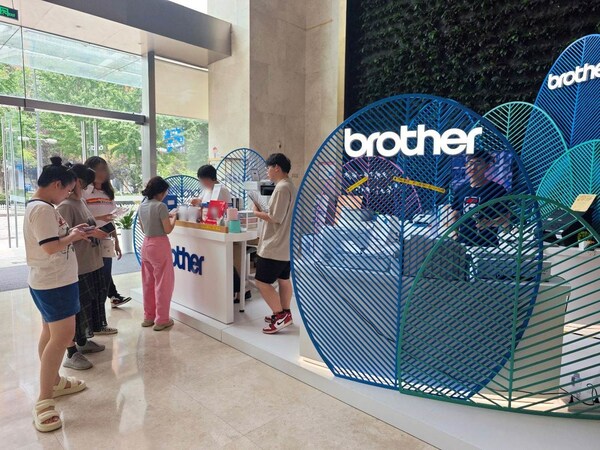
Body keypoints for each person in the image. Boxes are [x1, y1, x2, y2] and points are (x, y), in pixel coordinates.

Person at [24, 157, 90, 432]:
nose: (67, 195)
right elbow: (50, 247)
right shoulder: (42, 209)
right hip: (54, 283)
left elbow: (52, 240)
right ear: (56, 184)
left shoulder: (41, 207)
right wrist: (72, 237)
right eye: (68, 190)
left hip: (50, 280)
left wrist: (71, 232)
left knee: (50, 334)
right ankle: (44, 400)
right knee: (62, 338)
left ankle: (53, 382)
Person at [58, 164, 114, 370]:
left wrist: (96, 231)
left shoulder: (79, 202)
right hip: (79, 265)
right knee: (77, 309)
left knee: (88, 305)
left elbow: (84, 228)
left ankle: (82, 341)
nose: (88, 188)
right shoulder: (65, 206)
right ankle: (71, 352)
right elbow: (63, 238)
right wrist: (88, 233)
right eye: (86, 184)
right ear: (78, 182)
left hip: (92, 261)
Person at [191, 164, 249, 303]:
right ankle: (235, 289)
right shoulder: (207, 189)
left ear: (209, 178)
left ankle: (239, 290)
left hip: (221, 229)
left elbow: (221, 210)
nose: (202, 183)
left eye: (202, 180)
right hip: (210, 229)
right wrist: (198, 202)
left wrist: (202, 205)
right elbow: (203, 203)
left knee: (226, 261)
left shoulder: (221, 190)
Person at [253, 153, 297, 334]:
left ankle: (280, 315)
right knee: (284, 279)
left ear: (276, 168)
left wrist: (257, 212)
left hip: (275, 245)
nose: (267, 172)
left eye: (268, 169)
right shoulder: (290, 186)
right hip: (286, 244)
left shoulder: (281, 188)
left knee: (261, 282)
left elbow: (275, 217)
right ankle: (286, 313)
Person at [83, 156, 132, 308]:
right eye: (97, 169)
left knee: (105, 273)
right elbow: (81, 218)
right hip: (89, 239)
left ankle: (109, 299)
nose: (102, 173)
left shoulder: (107, 193)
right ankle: (101, 307)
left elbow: (111, 220)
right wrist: (100, 218)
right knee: (95, 276)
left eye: (104, 169)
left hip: (105, 239)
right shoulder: (84, 192)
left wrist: (116, 241)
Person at [138, 176, 177, 331]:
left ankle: (149, 317)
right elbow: (167, 229)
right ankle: (162, 319)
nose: (166, 195)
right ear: (160, 192)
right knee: (163, 283)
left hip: (146, 245)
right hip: (159, 245)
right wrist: (174, 218)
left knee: (148, 283)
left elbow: (143, 228)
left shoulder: (142, 206)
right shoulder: (161, 206)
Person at [451, 149, 509, 246]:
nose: (473, 167)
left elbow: (506, 218)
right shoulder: (460, 190)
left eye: (478, 163)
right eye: (470, 163)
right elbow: (455, 214)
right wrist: (454, 235)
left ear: (487, 166)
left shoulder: (496, 190)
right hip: (463, 244)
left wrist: (489, 223)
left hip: (487, 244)